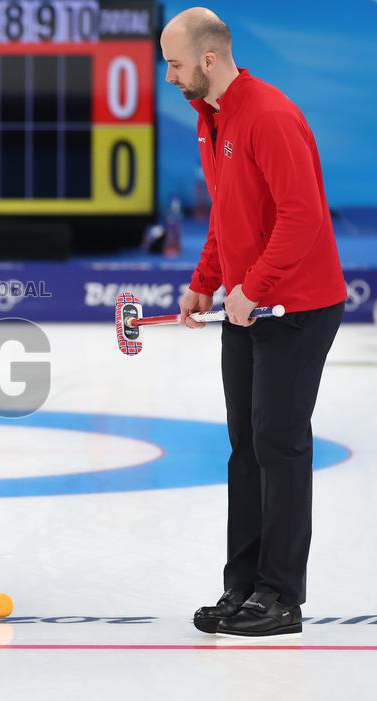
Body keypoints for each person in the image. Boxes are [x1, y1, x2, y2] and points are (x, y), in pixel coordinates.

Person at [161, 9, 346, 637]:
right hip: (247, 308)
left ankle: (281, 596)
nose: (169, 76)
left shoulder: (267, 115)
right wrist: (204, 283)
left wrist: (254, 287)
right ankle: (242, 587)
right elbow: (226, 213)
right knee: (246, 450)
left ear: (208, 60)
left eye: (175, 63)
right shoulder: (209, 120)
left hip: (297, 309)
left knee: (280, 444)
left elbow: (303, 217)